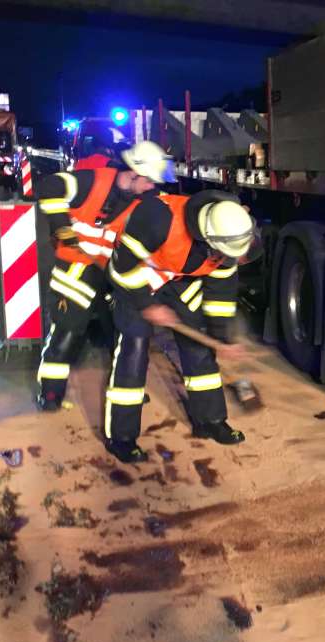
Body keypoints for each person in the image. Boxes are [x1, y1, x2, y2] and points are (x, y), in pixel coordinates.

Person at [105, 189, 257, 463]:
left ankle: (209, 421)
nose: (225, 261)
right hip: (137, 276)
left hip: (178, 278)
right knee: (134, 348)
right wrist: (147, 305)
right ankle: (122, 438)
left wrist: (222, 338)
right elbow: (120, 267)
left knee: (199, 344)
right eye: (221, 255)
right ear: (207, 238)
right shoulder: (157, 217)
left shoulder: (229, 241)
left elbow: (219, 297)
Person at [34, 140, 175, 411]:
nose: (151, 188)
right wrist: (61, 226)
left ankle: (126, 384)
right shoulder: (92, 181)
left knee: (124, 331)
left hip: (112, 270)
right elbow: (48, 187)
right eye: (148, 182)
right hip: (76, 269)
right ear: (133, 172)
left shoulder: (144, 200)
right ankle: (51, 392)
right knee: (67, 332)